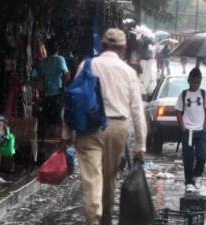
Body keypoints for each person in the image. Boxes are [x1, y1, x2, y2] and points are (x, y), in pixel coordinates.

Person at [61, 28, 147, 225]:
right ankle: (105, 219)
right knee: (109, 180)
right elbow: (137, 111)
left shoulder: (88, 65)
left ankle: (94, 221)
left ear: (102, 45)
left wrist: (66, 133)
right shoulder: (128, 72)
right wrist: (140, 146)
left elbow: (72, 99)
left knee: (92, 178)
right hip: (117, 128)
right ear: (123, 49)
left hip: (89, 128)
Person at [175, 68, 206, 193]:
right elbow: (178, 112)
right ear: (188, 80)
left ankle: (197, 175)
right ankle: (189, 181)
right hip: (188, 131)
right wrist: (182, 126)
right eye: (193, 82)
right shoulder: (183, 94)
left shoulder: (203, 93)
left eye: (197, 82)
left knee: (202, 155)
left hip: (200, 130)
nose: (195, 85)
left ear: (200, 82)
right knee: (188, 157)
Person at [39, 37, 70, 139]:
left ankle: (47, 140)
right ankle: (55, 142)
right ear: (57, 49)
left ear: (47, 49)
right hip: (57, 93)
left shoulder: (43, 61)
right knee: (57, 119)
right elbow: (66, 75)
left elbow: (40, 77)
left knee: (47, 119)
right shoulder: (60, 59)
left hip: (47, 94)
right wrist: (65, 86)